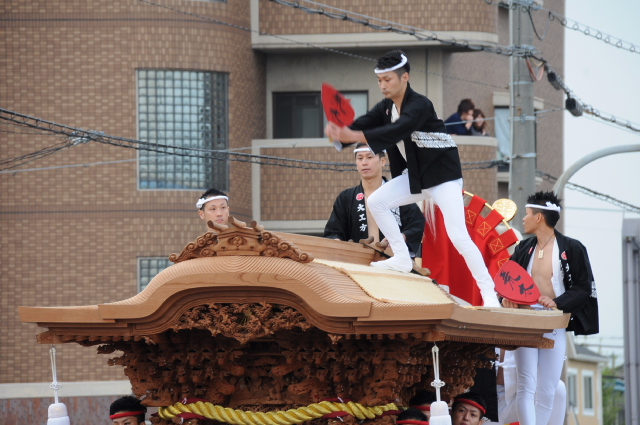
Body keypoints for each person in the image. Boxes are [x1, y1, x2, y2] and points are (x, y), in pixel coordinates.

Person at [324, 49, 500, 307]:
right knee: (377, 202)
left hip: (443, 178)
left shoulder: (420, 104)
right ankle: (402, 258)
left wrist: (353, 136)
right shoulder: (386, 107)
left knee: (458, 236)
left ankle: (489, 294)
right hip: (416, 176)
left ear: (404, 77)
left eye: (388, 79)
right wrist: (341, 131)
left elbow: (398, 130)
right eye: (379, 80)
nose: (383, 85)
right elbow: (366, 122)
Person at [502, 191, 599, 425]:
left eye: (527, 213)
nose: (523, 218)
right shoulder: (524, 248)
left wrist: (558, 302)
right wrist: (506, 298)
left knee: (547, 389)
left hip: (554, 321)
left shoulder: (572, 248)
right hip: (526, 320)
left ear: (539, 217)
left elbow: (583, 286)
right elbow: (505, 278)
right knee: (526, 385)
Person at [324, 142, 425, 257]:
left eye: (369, 157)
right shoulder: (346, 197)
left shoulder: (397, 194)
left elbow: (417, 224)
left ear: (383, 161)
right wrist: (336, 241)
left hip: (392, 259)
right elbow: (333, 231)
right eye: (360, 158)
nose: (364, 162)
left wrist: (402, 237)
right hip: (358, 260)